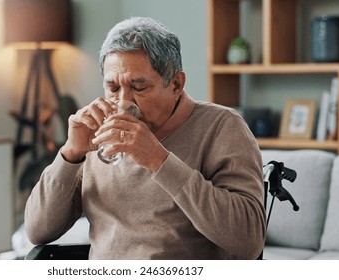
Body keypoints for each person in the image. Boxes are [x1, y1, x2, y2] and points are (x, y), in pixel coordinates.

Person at [25, 16, 266, 259]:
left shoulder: (222, 127)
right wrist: (70, 154)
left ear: (176, 84)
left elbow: (248, 241)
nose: (123, 102)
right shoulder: (96, 134)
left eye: (139, 88)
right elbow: (37, 231)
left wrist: (158, 160)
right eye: (113, 88)